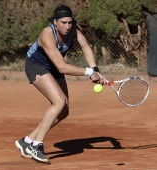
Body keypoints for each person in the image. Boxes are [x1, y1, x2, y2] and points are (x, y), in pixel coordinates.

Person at [15, 4, 106, 164]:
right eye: (63, 22)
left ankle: (27, 141)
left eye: (70, 22)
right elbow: (62, 67)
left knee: (63, 111)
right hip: (36, 66)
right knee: (59, 101)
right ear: (55, 22)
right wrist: (89, 72)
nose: (67, 26)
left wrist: (95, 69)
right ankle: (36, 146)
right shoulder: (47, 34)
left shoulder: (74, 30)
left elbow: (85, 47)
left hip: (53, 67)